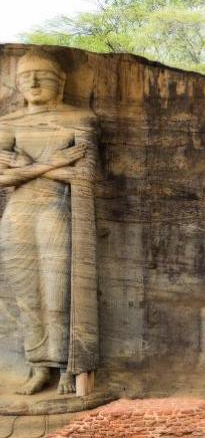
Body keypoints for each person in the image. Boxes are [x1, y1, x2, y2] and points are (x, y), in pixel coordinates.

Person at [0, 50, 97, 395]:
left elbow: (84, 175)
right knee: (27, 296)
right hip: (18, 216)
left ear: (62, 81)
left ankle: (68, 368)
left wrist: (22, 167)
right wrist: (51, 165)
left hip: (56, 213)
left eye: (43, 75)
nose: (35, 83)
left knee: (59, 293)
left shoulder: (80, 119)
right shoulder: (9, 123)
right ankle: (39, 366)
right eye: (26, 78)